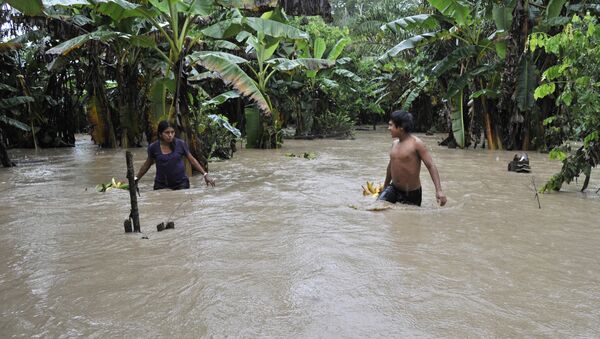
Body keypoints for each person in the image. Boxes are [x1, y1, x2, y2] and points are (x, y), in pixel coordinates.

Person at [378, 110, 447, 206]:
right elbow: (391, 166)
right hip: (393, 189)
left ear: (401, 127)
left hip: (411, 193)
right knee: (378, 206)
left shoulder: (417, 144)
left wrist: (439, 190)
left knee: (409, 218)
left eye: (391, 125)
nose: (388, 128)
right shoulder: (394, 144)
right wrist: (385, 187)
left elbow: (431, 165)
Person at [135, 120, 215, 190]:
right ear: (160, 134)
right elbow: (147, 165)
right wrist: (136, 179)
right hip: (161, 184)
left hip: (181, 184)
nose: (170, 135)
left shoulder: (181, 144)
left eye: (172, 132)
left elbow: (192, 160)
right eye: (167, 132)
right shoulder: (153, 147)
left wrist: (205, 174)